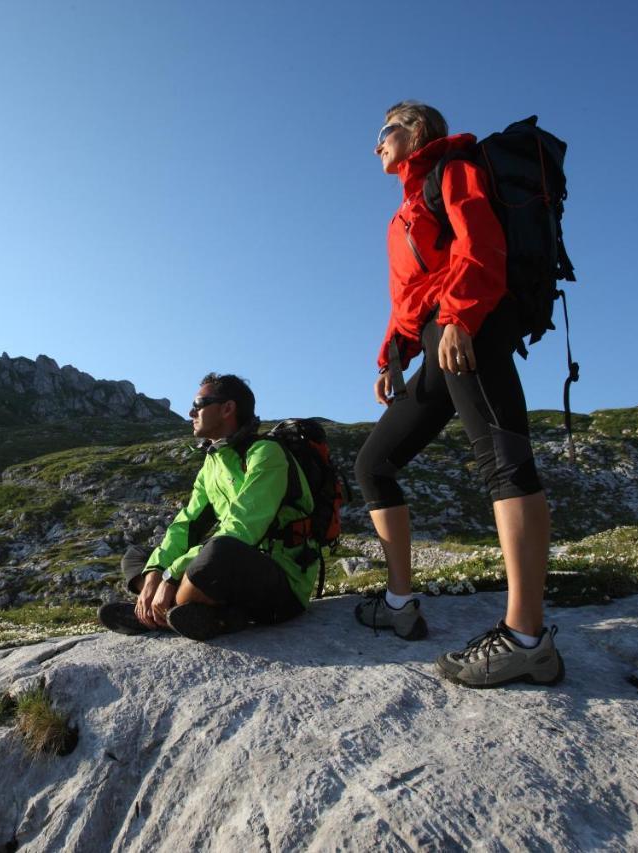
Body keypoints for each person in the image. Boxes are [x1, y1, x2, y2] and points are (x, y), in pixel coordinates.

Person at [353, 100, 564, 687]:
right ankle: (399, 606)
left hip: (471, 327)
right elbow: (409, 296)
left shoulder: (453, 168)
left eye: (384, 130)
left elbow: (482, 247)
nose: (377, 145)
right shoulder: (404, 211)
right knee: (374, 464)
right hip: (437, 336)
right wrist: (391, 358)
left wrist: (460, 320)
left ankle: (527, 639)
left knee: (504, 460)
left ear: (415, 130)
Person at [98, 373, 316, 641]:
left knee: (219, 550)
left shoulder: (265, 453)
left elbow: (243, 528)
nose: (191, 412)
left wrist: (171, 574)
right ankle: (194, 613)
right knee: (137, 555)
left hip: (282, 584)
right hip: (229, 572)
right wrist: (157, 571)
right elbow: (187, 524)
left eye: (199, 404)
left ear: (227, 408)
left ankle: (158, 613)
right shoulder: (211, 465)